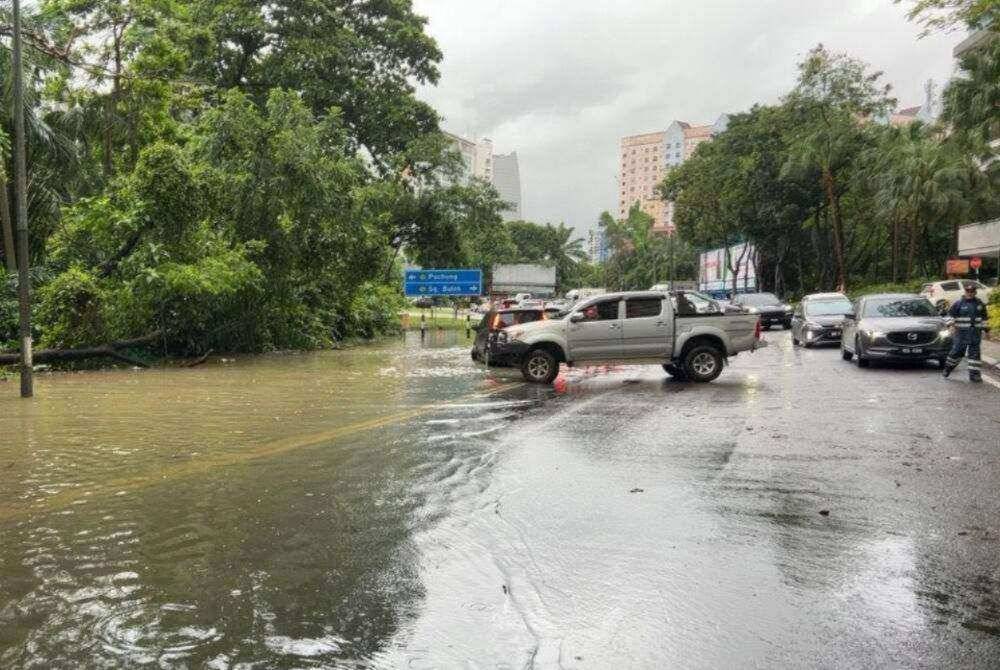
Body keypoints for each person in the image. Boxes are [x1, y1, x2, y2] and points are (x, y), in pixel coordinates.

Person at [943, 283, 991, 382]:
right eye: (967, 291)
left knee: (974, 354)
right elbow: (948, 316)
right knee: (957, 352)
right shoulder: (958, 303)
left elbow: (984, 319)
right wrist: (951, 325)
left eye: (972, 291)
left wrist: (987, 331)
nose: (969, 293)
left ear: (975, 292)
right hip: (961, 334)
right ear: (965, 292)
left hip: (975, 333)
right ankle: (948, 368)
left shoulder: (980, 304)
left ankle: (974, 375)